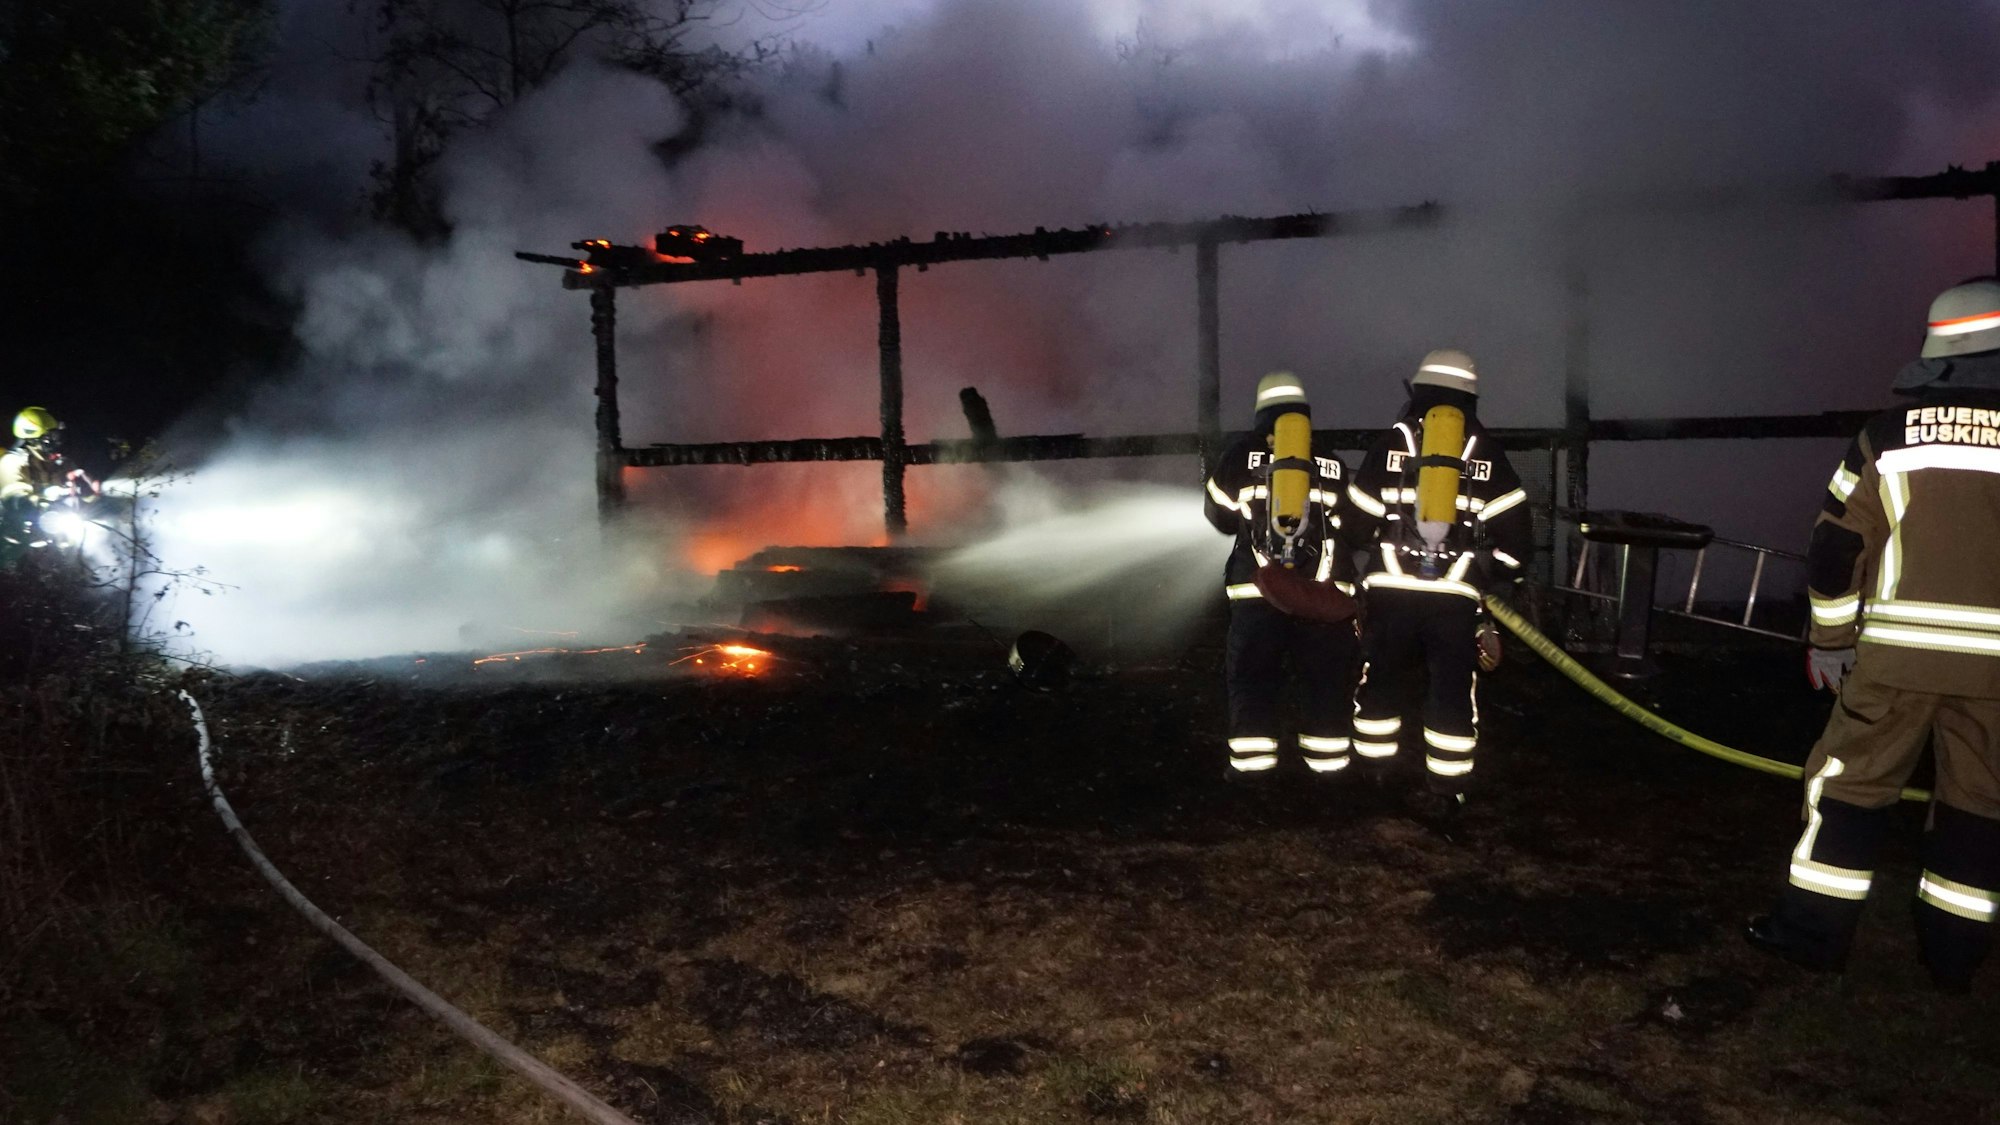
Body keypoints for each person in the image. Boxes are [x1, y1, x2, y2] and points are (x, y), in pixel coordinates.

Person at [1747, 277, 2000, 992]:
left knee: (1849, 789)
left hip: (1893, 661)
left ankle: (1811, 937)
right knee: (1981, 806)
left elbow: (1835, 550)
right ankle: (1954, 958)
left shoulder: (1888, 434)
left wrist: (1829, 639)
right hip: (1996, 676)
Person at [1341, 349, 1532, 820]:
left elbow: (1353, 524)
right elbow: (1518, 543)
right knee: (1450, 690)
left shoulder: (1391, 443)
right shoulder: (1486, 450)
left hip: (1390, 590)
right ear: (1471, 396)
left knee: (1380, 680)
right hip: (1455, 598)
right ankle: (1448, 788)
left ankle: (1373, 773)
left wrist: (1377, 549)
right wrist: (1494, 573)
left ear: (1420, 392)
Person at [1202, 371, 1359, 778]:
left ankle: (1252, 771)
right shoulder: (1331, 460)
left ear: (1261, 411)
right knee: (1325, 683)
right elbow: (1351, 527)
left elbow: (1218, 516)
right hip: (1319, 596)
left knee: (1253, 679)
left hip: (1258, 595)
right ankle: (1329, 769)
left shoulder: (1240, 455)